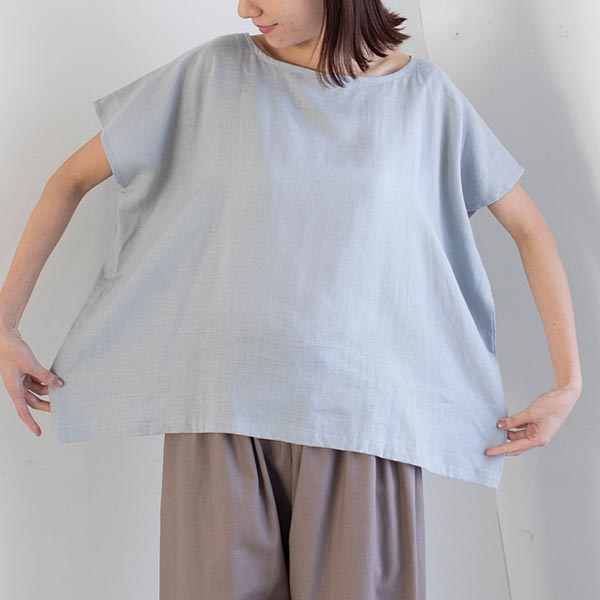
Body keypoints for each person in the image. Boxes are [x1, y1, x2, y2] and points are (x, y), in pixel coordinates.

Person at [0, 1, 582, 598]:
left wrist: (568, 383)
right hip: (222, 413)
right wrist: (6, 323)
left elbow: (531, 230)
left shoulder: (426, 99)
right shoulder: (213, 74)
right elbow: (70, 179)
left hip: (362, 424)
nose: (244, 7)